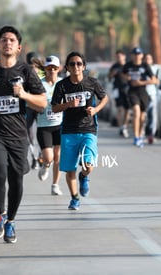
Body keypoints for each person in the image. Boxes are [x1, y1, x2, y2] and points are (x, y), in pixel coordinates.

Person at [0, 26, 47, 243]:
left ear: (19, 47)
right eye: (3, 40)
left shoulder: (26, 71)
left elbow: (42, 102)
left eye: (12, 40)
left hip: (18, 135)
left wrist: (24, 94)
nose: (7, 43)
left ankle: (11, 221)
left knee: (16, 180)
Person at [51, 51, 108, 210]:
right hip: (69, 131)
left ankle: (84, 176)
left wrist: (96, 110)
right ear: (67, 67)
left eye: (79, 64)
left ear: (83, 66)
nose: (75, 66)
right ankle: (75, 198)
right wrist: (68, 104)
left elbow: (105, 98)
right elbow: (54, 107)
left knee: (88, 164)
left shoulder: (92, 83)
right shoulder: (62, 85)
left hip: (88, 129)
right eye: (72, 64)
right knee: (70, 171)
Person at [36, 55, 64, 196]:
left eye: (54, 68)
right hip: (44, 125)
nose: (52, 70)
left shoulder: (63, 83)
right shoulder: (39, 84)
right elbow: (32, 101)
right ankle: (46, 165)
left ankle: (55, 185)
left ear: (59, 69)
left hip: (60, 125)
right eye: (49, 68)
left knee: (58, 157)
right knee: (49, 157)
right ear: (45, 69)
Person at [122, 47, 157, 147]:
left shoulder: (145, 66)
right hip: (132, 92)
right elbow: (123, 74)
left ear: (142, 55)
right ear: (132, 55)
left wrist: (142, 82)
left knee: (142, 117)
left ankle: (140, 135)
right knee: (136, 112)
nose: (137, 56)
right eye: (135, 54)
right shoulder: (128, 65)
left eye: (139, 54)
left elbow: (154, 80)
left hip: (143, 92)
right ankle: (136, 137)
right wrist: (127, 77)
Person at [26, 51, 43, 170]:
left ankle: (42, 156)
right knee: (30, 135)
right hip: (28, 108)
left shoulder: (44, 75)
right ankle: (34, 158)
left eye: (36, 66)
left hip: (41, 108)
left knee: (42, 133)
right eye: (32, 66)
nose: (34, 69)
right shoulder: (25, 74)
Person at [108, 50, 130, 138]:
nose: (119, 58)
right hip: (117, 89)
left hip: (127, 89)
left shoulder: (128, 66)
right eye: (117, 57)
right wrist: (112, 74)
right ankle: (121, 127)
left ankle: (124, 126)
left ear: (124, 56)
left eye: (120, 56)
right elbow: (109, 78)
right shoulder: (114, 66)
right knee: (120, 108)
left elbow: (131, 77)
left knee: (127, 109)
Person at [143, 53, 160, 144]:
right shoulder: (142, 68)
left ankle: (151, 135)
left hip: (152, 94)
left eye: (149, 58)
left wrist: (148, 81)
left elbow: (157, 81)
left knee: (152, 115)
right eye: (146, 58)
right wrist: (149, 81)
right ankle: (142, 134)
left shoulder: (155, 69)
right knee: (143, 115)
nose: (147, 60)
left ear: (152, 60)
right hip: (143, 94)